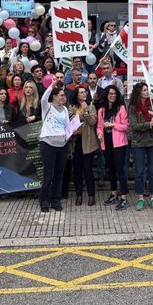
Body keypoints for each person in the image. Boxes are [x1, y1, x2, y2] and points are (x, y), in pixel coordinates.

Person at [128, 82, 153, 211]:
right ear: (138, 92)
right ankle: (140, 197)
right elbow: (133, 125)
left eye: (147, 90)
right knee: (139, 172)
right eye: (144, 90)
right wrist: (149, 124)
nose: (147, 92)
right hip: (138, 143)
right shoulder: (132, 106)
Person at [97, 85, 130, 211]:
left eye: (115, 94)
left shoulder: (121, 108)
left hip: (119, 144)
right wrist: (99, 134)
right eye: (110, 93)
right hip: (106, 143)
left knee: (120, 170)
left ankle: (124, 198)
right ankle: (114, 193)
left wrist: (112, 124)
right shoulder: (102, 111)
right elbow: (99, 126)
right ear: (106, 95)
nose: (113, 96)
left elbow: (125, 126)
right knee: (110, 169)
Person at [39, 81, 70, 212]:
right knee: (48, 174)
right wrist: (51, 86)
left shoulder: (65, 109)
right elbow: (43, 98)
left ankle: (55, 199)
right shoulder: (47, 107)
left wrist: (70, 131)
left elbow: (67, 126)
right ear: (54, 96)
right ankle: (44, 200)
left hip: (62, 144)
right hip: (48, 143)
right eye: (61, 95)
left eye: (64, 95)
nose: (64, 97)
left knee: (59, 173)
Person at [68, 86, 99, 206]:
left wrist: (86, 112)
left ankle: (91, 195)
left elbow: (92, 122)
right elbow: (71, 120)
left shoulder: (91, 106)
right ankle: (79, 195)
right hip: (76, 141)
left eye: (85, 92)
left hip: (88, 142)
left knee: (87, 169)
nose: (84, 94)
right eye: (81, 92)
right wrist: (82, 113)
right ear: (77, 95)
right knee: (77, 170)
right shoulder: (71, 107)